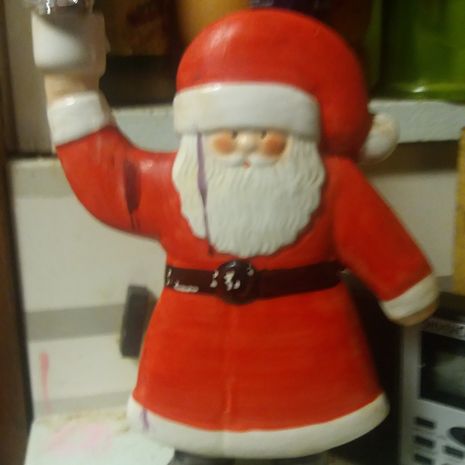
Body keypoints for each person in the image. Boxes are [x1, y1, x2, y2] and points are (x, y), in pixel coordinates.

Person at [31, 8, 438, 465]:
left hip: (306, 361)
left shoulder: (332, 186)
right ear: (200, 134)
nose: (247, 145)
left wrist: (405, 287)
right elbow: (106, 177)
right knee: (196, 452)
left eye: (265, 132)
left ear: (298, 136)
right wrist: (69, 86)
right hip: (190, 364)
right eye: (230, 132)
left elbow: (377, 240)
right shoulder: (174, 186)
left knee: (299, 448)